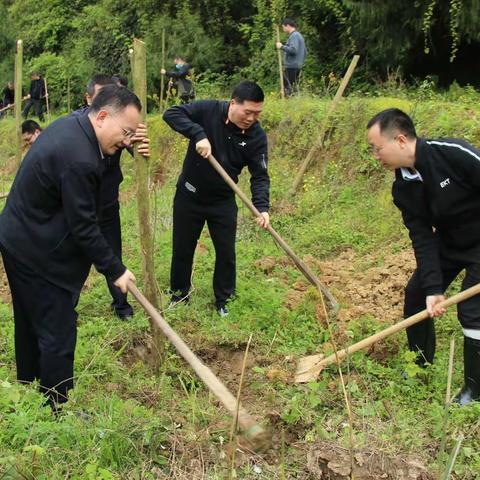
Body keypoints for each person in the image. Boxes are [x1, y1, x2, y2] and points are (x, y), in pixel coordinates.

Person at [0, 85, 140, 408]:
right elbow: (83, 227)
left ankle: (29, 389)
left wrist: (130, 141)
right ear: (103, 116)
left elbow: (95, 205)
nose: (127, 141)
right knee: (57, 332)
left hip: (17, 236)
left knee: (29, 320)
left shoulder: (78, 125)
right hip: (34, 250)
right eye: (126, 132)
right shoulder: (79, 159)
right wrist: (115, 269)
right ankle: (56, 409)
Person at [366, 108, 480, 406]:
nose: (375, 156)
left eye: (377, 149)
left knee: (471, 306)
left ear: (401, 140)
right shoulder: (402, 187)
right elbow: (422, 238)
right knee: (417, 294)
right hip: (450, 243)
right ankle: (420, 363)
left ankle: (474, 390)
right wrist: (433, 288)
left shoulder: (454, 154)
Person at [163, 80, 270, 316]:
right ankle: (179, 295)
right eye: (248, 111)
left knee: (226, 252)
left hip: (222, 201)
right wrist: (197, 133)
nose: (251, 118)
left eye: (257, 113)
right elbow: (171, 113)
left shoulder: (256, 137)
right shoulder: (209, 110)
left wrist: (262, 207)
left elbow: (260, 176)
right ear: (233, 103)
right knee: (183, 248)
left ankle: (225, 300)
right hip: (189, 195)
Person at [72, 74, 150, 319]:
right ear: (89, 98)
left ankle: (122, 306)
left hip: (107, 203)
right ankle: (67, 305)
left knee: (113, 255)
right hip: (80, 205)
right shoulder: (75, 127)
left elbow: (132, 146)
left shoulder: (118, 126)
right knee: (75, 259)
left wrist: (140, 146)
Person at [276, 18, 307, 96]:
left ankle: (287, 104)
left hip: (292, 66)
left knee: (287, 87)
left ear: (288, 26)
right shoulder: (298, 36)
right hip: (296, 65)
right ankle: (293, 103)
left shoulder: (294, 35)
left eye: (283, 27)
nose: (283, 30)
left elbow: (293, 50)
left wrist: (282, 46)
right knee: (292, 87)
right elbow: (305, 52)